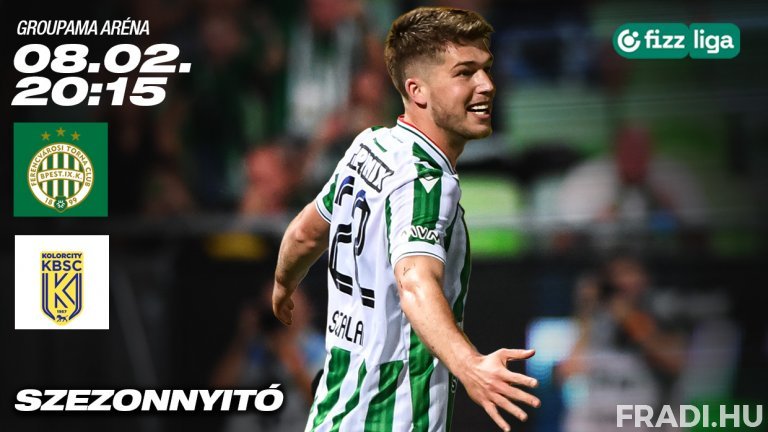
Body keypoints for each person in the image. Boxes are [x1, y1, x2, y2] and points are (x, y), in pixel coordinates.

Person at [272, 7, 540, 431]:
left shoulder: (368, 147)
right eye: (465, 73)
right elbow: (414, 281)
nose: (486, 85)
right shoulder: (427, 182)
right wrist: (470, 365)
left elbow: (305, 233)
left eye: (486, 69)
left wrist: (283, 284)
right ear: (418, 91)